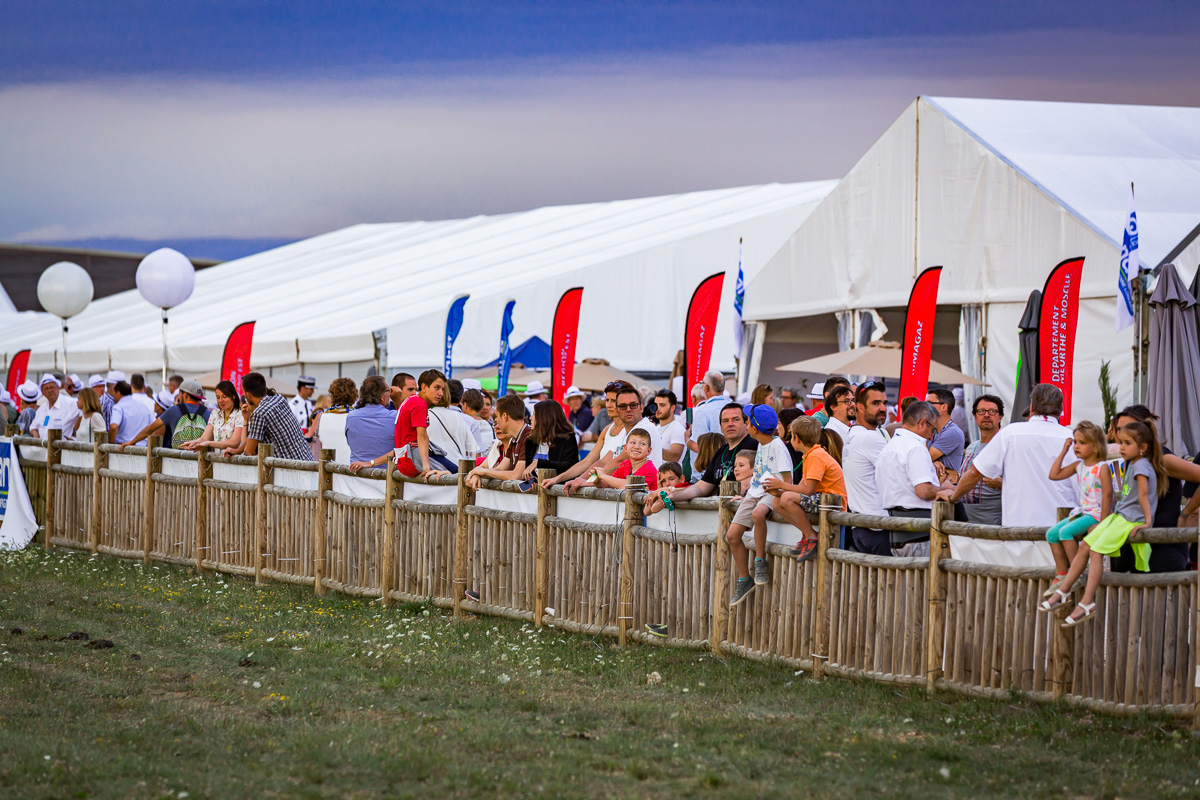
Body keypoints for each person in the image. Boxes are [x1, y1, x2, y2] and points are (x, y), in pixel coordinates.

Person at [1041, 421, 1166, 625]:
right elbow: (1053, 475)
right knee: (1083, 544)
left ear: (1142, 448)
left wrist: (1146, 521)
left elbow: (1136, 494)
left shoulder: (1135, 465)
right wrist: (1063, 451)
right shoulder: (1130, 464)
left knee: (1090, 547)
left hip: (1117, 517)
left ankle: (1081, 593)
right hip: (1111, 515)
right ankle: (1066, 584)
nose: (1121, 447)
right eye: (1120, 442)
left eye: (1126, 443)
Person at [940, 384, 1076, 530]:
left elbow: (974, 473)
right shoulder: (1074, 439)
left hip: (1020, 530)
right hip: (1064, 530)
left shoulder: (1011, 433)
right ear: (1061, 409)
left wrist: (953, 498)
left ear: (1031, 407)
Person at [1106, 405, 1200, 573]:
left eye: (1128, 429)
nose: (1121, 436)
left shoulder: (1163, 459)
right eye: (1119, 429)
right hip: (1138, 545)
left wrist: (1187, 512)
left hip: (1164, 548)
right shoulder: (1133, 459)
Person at [727, 403, 791, 605]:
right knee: (732, 535)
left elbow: (788, 481)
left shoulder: (778, 446)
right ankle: (744, 579)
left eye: (746, 420)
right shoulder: (761, 445)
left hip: (773, 492)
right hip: (755, 492)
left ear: (753, 427)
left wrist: (776, 491)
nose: (745, 424)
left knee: (758, 514)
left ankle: (760, 561)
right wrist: (746, 495)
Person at [644, 404, 757, 515]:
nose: (730, 424)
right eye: (725, 421)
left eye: (736, 419)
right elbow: (700, 487)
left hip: (743, 513)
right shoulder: (721, 452)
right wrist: (672, 495)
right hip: (720, 514)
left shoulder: (755, 445)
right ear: (721, 427)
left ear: (746, 423)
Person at [1043, 421, 1113, 594]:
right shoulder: (1078, 466)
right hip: (1083, 512)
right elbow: (1054, 475)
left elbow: (1108, 495)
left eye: (1082, 442)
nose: (1076, 446)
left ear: (1095, 447)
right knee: (1051, 534)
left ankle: (1077, 572)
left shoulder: (1101, 468)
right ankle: (1062, 573)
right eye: (1075, 442)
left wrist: (1103, 522)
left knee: (1065, 532)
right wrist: (1063, 451)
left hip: (1096, 514)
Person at [768, 415, 846, 563]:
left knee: (787, 498)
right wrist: (777, 492)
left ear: (796, 438)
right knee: (777, 502)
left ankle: (811, 536)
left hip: (832, 502)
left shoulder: (816, 456)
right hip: (822, 498)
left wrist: (782, 485)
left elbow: (808, 490)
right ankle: (807, 533)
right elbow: (800, 488)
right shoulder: (810, 455)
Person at [875, 401, 942, 556]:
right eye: (933, 430)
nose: (932, 435)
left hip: (896, 530)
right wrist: (945, 488)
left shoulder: (889, 447)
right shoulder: (915, 447)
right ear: (922, 423)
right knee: (921, 580)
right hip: (918, 533)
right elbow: (923, 491)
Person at [842, 382, 891, 555]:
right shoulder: (869, 437)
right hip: (878, 526)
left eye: (884, 403)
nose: (883, 408)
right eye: (876, 403)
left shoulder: (853, 434)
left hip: (862, 525)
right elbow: (898, 474)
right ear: (860, 408)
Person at [225, 373, 314, 460]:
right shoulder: (279, 398)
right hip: (308, 461)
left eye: (243, 391)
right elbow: (253, 436)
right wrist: (237, 451)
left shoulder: (259, 413)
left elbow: (248, 452)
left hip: (291, 470)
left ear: (248, 395)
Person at [394, 369, 456, 478]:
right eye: (437, 388)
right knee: (459, 474)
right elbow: (421, 436)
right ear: (423, 387)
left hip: (402, 460)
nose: (441, 393)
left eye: (442, 389)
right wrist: (426, 466)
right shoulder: (420, 404)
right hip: (413, 457)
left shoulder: (410, 400)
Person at [120, 379, 211, 450]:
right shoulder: (208, 413)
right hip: (199, 461)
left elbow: (149, 429)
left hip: (177, 460)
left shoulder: (174, 410)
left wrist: (132, 442)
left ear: (185, 395)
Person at [466, 394, 531, 488]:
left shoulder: (528, 437)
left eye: (497, 417)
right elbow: (499, 469)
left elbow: (516, 475)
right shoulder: (515, 439)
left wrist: (483, 472)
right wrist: (477, 473)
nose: (496, 424)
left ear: (504, 416)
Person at [959, 395, 1005, 525]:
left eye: (992, 411)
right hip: (966, 525)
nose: (986, 415)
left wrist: (1001, 483)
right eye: (981, 411)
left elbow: (1022, 484)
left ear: (1000, 417)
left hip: (996, 528)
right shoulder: (971, 447)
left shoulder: (1006, 446)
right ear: (975, 416)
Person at [345, 376, 396, 473]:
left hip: (357, 475)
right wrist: (399, 400)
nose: (390, 394)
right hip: (386, 477)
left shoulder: (351, 417)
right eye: (388, 390)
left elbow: (350, 442)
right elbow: (402, 449)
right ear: (381, 397)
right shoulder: (394, 417)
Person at [521, 400, 579, 481]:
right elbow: (528, 471)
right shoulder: (531, 441)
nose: (531, 418)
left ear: (545, 417)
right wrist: (531, 479)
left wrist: (540, 463)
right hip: (535, 492)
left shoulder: (567, 438)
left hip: (559, 490)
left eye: (534, 414)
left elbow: (571, 466)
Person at [181, 380, 245, 454]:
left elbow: (235, 442)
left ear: (233, 397)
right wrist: (192, 443)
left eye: (224, 397)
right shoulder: (215, 414)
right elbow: (204, 438)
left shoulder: (240, 415)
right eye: (218, 397)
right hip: (216, 461)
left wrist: (209, 443)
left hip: (234, 462)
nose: (221, 401)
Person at [428, 379, 479, 465]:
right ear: (461, 399)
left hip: (432, 467)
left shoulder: (425, 415)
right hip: (457, 468)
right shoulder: (459, 417)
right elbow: (473, 451)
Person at [309, 378, 357, 463]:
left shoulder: (320, 417)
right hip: (352, 471)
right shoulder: (358, 417)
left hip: (327, 472)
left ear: (332, 395)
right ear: (354, 395)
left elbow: (307, 438)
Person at [926, 387, 965, 480]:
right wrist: (932, 463)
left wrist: (930, 461)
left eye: (929, 403)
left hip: (945, 488)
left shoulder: (952, 432)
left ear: (944, 407)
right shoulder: (935, 430)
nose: (924, 407)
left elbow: (924, 458)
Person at [30, 373, 81, 440]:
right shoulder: (42, 408)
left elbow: (84, 412)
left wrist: (75, 433)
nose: (49, 390)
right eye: (46, 388)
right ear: (42, 392)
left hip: (63, 448)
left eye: (52, 387)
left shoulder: (70, 403)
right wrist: (36, 437)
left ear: (58, 388)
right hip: (43, 448)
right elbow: (33, 427)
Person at [688, 371, 729, 452]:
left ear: (706, 388)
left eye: (702, 383)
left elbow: (698, 446)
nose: (701, 385)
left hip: (710, 462)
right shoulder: (735, 408)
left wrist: (687, 440)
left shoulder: (703, 411)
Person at [108, 381, 155, 445]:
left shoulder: (119, 407)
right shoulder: (143, 406)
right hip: (143, 448)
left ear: (118, 393)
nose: (113, 396)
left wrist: (110, 444)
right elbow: (152, 426)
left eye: (114, 393)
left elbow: (114, 427)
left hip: (123, 448)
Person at [652, 389, 686, 463]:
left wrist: (650, 448)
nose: (657, 408)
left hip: (671, 473)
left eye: (662, 405)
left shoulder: (677, 429)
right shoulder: (656, 428)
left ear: (673, 408)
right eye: (656, 405)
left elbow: (675, 456)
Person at [461, 388, 496, 452]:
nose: (485, 408)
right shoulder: (488, 425)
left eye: (488, 404)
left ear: (465, 405)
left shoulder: (466, 422)